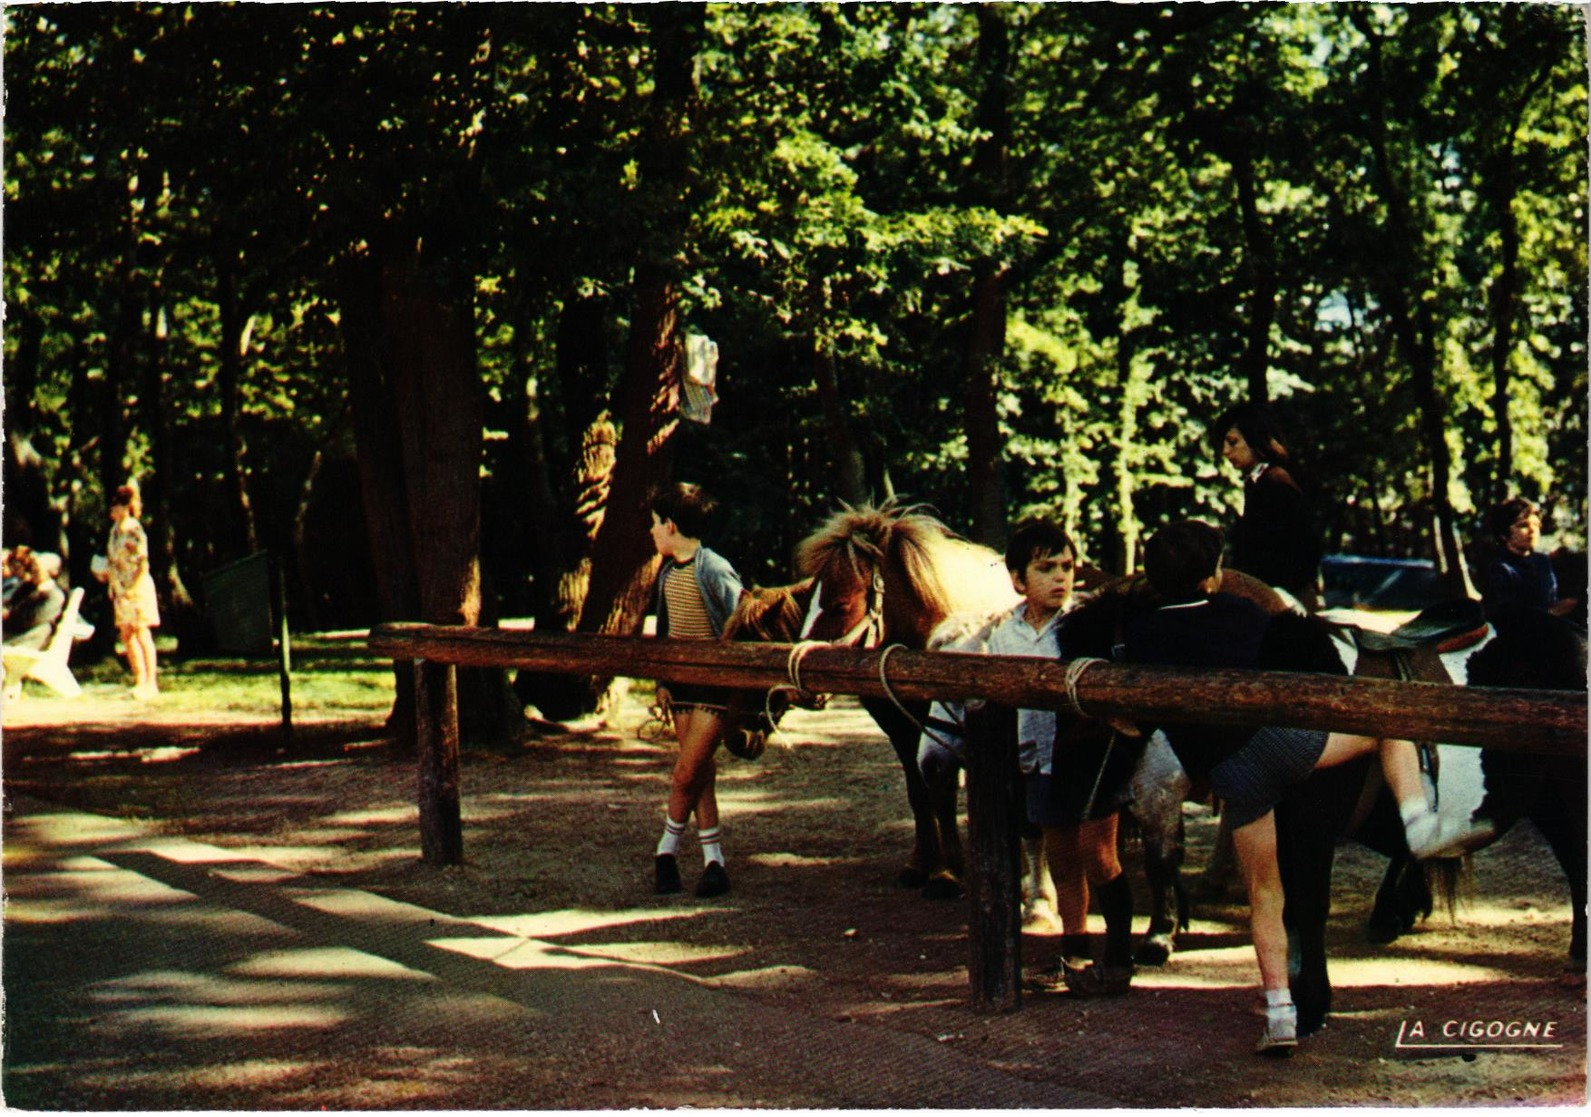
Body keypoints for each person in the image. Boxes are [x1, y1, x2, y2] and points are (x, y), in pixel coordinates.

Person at [1118, 520, 1483, 1056]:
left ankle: (1281, 1016)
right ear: (1215, 576)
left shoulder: (1142, 634)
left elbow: (1130, 720)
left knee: (1266, 898)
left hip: (1237, 780)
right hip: (1286, 746)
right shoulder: (1243, 614)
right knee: (1388, 724)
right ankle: (1418, 823)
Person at [648, 481, 745, 899]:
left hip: (713, 686)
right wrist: (664, 682)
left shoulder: (714, 568)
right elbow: (666, 634)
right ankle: (713, 863)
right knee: (700, 776)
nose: (651, 533)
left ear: (670, 525)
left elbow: (744, 619)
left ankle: (665, 852)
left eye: (654, 525)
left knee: (685, 772)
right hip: (683, 686)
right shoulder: (668, 572)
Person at [1213, 402, 1323, 609]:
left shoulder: (1276, 482)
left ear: (1256, 439)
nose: (1225, 452)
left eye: (1233, 442)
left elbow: (1303, 547)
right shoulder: (1258, 482)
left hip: (1286, 601)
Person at [97, 485, 162, 700]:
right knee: (126, 634)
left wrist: (133, 587)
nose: (111, 511)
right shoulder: (114, 530)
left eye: (115, 506)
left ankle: (151, 683)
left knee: (141, 631)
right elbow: (114, 560)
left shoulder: (133, 529)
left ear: (125, 507)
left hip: (136, 586)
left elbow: (142, 562)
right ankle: (139, 679)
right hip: (120, 588)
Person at [1472, 498, 1580, 620]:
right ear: (1503, 534)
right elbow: (1505, 618)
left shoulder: (1542, 562)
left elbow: (1551, 600)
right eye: (1523, 525)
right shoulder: (1500, 570)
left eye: (1536, 525)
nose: (1532, 531)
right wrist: (1551, 614)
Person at [2, 546, 66, 651]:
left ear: (51, 573)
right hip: (12, 632)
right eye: (32, 568)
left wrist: (7, 615)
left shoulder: (55, 597)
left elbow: (28, 620)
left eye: (38, 569)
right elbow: (11, 603)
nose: (33, 571)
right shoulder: (29, 587)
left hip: (22, 640)